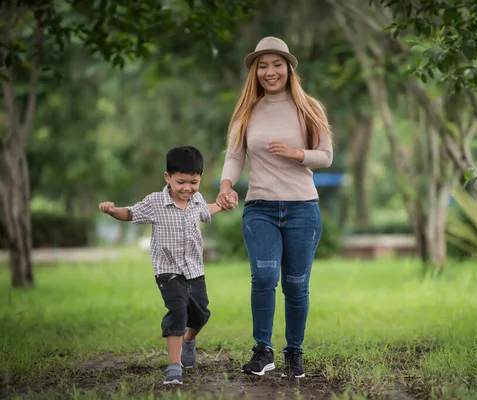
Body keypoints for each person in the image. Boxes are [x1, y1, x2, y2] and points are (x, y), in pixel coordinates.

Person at [216, 36, 334, 378]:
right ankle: (262, 350)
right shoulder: (246, 111)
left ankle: (294, 352)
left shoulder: (309, 108)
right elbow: (236, 155)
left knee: (296, 283)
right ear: (255, 71)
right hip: (260, 208)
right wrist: (225, 185)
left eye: (276, 64)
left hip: (302, 209)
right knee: (264, 275)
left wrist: (298, 154)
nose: (270, 72)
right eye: (263, 66)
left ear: (289, 68)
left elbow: (326, 156)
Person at [98, 146, 224, 386]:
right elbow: (130, 214)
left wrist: (221, 205)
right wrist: (113, 210)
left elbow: (205, 210)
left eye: (193, 182)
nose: (187, 188)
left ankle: (188, 340)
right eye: (181, 182)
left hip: (195, 271)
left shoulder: (196, 200)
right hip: (167, 271)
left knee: (201, 315)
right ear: (168, 178)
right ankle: (174, 367)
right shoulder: (155, 202)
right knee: (178, 311)